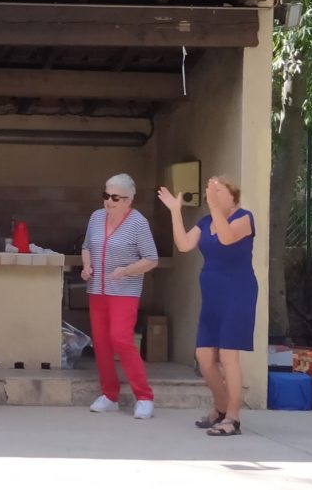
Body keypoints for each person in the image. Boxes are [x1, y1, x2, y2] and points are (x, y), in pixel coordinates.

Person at [158, 176, 257, 436]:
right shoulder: (205, 221)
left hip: (238, 293)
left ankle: (233, 418)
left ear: (233, 196)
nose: (211, 195)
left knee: (228, 356)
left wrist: (214, 207)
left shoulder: (244, 218)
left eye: (218, 191)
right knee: (203, 356)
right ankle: (221, 407)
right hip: (212, 296)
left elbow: (226, 238)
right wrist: (175, 212)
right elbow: (184, 244)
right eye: (209, 192)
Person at [81, 173, 159, 419]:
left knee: (121, 339)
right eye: (106, 195)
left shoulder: (138, 223)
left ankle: (144, 396)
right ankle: (109, 394)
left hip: (124, 291)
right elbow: (86, 247)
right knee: (101, 343)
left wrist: (126, 270)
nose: (109, 201)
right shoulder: (96, 217)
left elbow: (151, 259)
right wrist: (87, 266)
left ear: (128, 200)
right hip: (97, 289)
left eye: (115, 197)